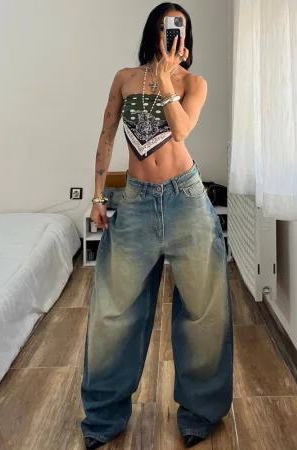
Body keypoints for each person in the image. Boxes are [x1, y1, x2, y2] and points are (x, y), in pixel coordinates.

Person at [81, 3, 233, 449]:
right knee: (113, 312)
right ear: (155, 31)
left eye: (181, 28)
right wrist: (97, 196)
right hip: (135, 202)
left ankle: (200, 413)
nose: (174, 34)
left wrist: (167, 78)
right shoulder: (125, 78)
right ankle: (103, 417)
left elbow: (181, 131)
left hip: (187, 200)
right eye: (169, 27)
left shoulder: (193, 83)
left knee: (203, 310)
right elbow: (107, 135)